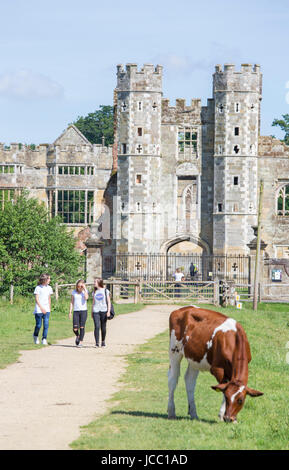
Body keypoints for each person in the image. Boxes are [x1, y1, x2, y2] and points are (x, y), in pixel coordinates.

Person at [33, 273, 53, 345]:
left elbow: (49, 298)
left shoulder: (49, 288)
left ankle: (44, 338)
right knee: (38, 325)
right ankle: (35, 336)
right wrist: (41, 308)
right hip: (39, 310)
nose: (50, 280)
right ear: (45, 280)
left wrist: (49, 308)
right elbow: (37, 299)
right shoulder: (38, 288)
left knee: (46, 325)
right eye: (49, 279)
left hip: (47, 309)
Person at [69, 279, 89, 347]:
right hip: (76, 311)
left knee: (82, 327)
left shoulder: (84, 291)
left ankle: (80, 342)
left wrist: (85, 288)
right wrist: (70, 312)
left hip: (83, 311)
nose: (79, 287)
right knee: (75, 329)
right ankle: (78, 335)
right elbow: (72, 302)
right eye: (78, 286)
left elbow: (86, 298)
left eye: (81, 286)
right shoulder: (74, 292)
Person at [91, 278, 111, 348]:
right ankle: (96, 343)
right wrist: (91, 311)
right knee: (96, 326)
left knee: (103, 327)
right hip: (96, 311)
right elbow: (93, 303)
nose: (94, 283)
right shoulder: (94, 292)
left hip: (104, 311)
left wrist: (108, 311)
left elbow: (109, 302)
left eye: (95, 282)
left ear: (99, 283)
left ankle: (103, 341)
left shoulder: (106, 291)